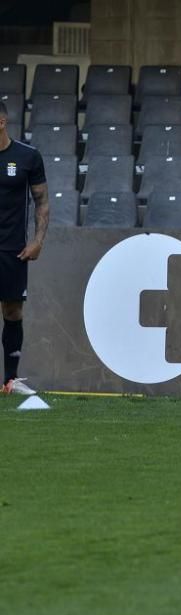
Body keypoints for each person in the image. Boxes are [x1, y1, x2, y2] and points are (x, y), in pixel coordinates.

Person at [0, 101, 47, 396]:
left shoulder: (27, 156)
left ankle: (10, 381)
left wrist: (38, 240)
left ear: (1, 121)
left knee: (13, 310)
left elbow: (41, 200)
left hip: (12, 248)